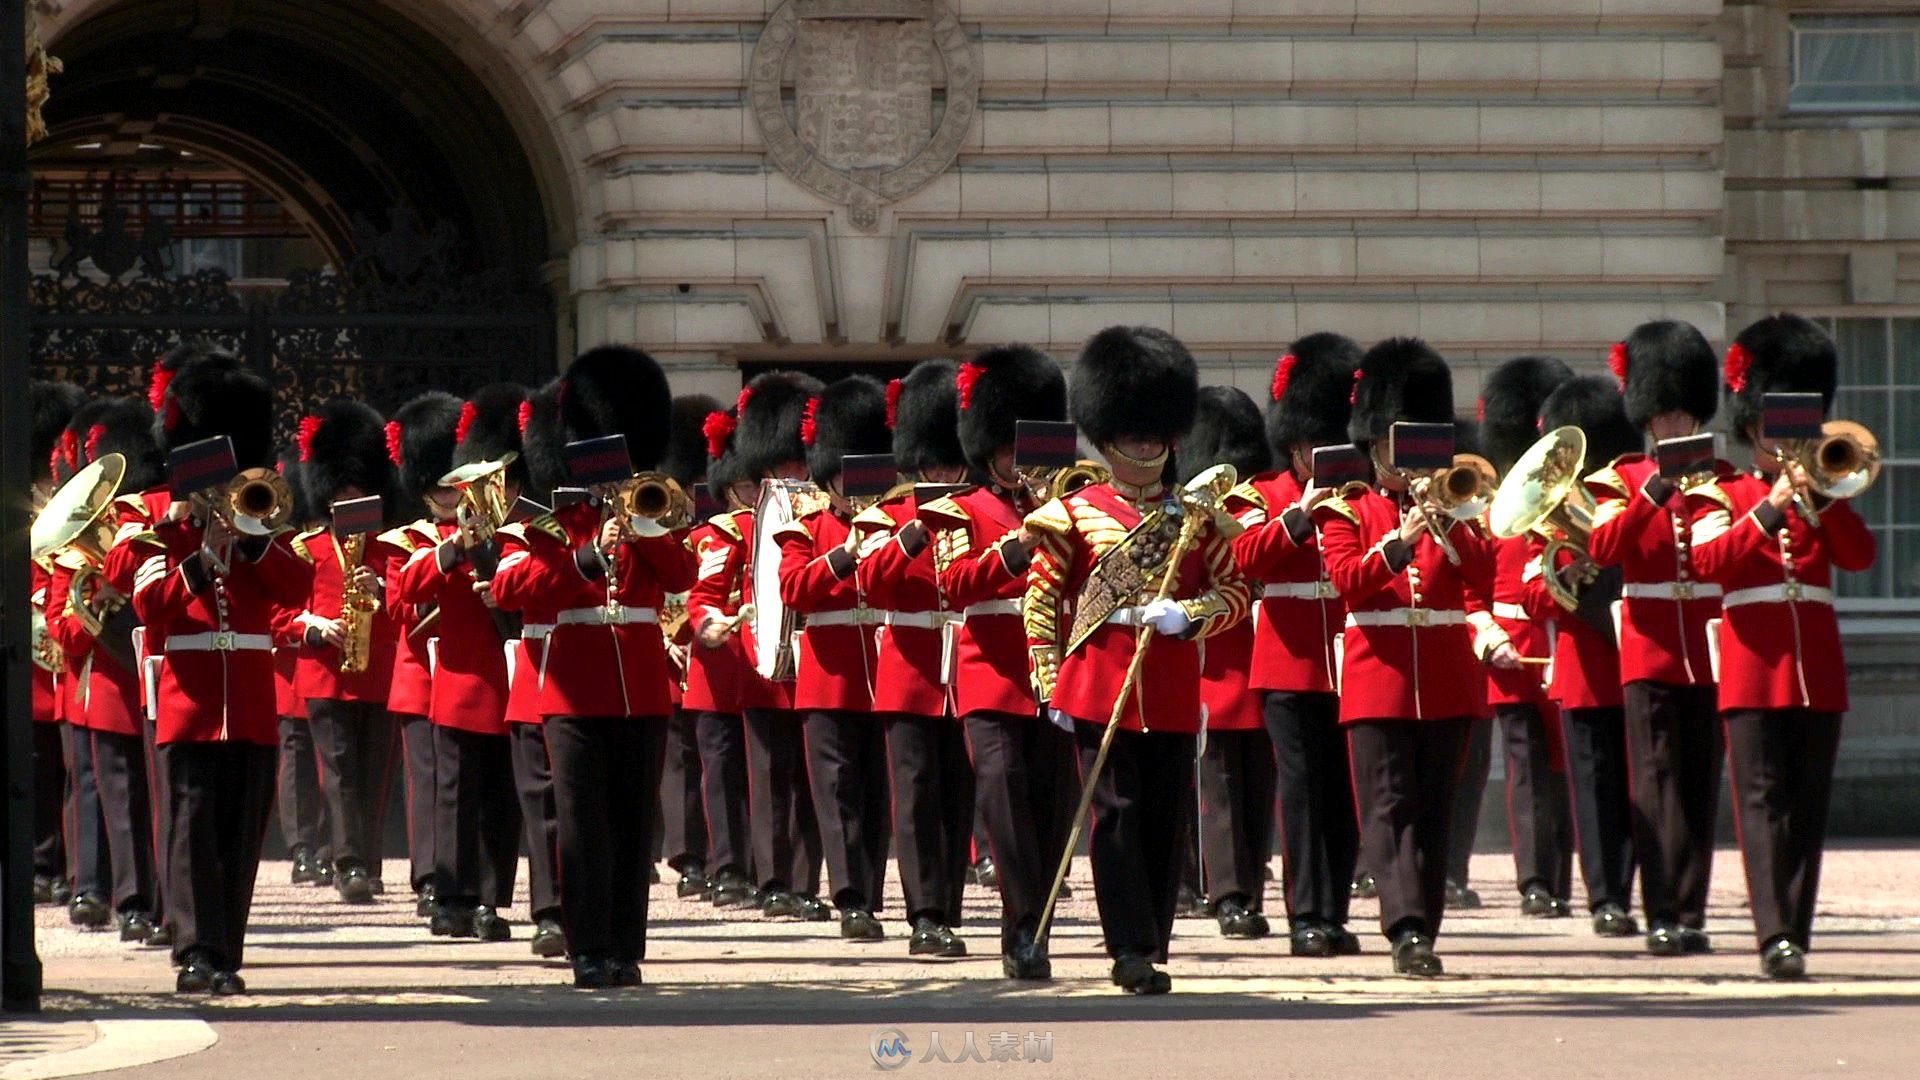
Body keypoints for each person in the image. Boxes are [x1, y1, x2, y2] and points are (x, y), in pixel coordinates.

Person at [1023, 325, 1250, 995]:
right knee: (1114, 816)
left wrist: (1191, 616)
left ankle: (1151, 936)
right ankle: (1129, 947)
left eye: (1155, 435)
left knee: (1163, 818)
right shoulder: (1072, 514)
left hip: (1171, 679)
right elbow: (1042, 603)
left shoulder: (1196, 520)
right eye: (1134, 434)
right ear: (1107, 435)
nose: (1146, 446)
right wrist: (1048, 683)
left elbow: (1235, 592)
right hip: (1097, 684)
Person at [492, 347, 696, 989]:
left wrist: (643, 530)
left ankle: (624, 947)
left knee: (634, 822)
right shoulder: (543, 522)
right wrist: (584, 557)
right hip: (572, 692)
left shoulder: (646, 511)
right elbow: (508, 588)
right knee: (582, 823)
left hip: (640, 689)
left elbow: (684, 576)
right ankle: (588, 946)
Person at [1312, 337, 1511, 978]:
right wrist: (1400, 542)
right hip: (1379, 675)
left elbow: (1486, 573)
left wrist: (1449, 524)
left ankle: (1423, 923)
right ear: (1375, 447)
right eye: (1397, 444)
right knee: (1387, 804)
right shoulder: (1350, 509)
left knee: (1433, 808)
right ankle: (1403, 928)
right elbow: (1347, 578)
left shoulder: (1459, 509)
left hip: (1447, 676)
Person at [1687, 314, 1876, 979]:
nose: (1786, 438)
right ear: (1750, 428)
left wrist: (1821, 501)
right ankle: (1773, 936)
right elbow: (1712, 559)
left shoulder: (1824, 493)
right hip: (1753, 668)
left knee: (1808, 806)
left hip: (1816, 671)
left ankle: (1796, 927)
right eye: (1774, 425)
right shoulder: (1725, 491)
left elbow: (1859, 557)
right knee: (1762, 805)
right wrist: (1769, 508)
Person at [134, 351, 315, 994]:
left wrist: (251, 539)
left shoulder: (257, 510)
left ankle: (226, 951)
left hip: (251, 696)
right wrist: (194, 554)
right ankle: (194, 950)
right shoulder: (156, 519)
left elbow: (299, 583)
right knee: (190, 829)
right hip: (190, 696)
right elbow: (147, 604)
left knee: (239, 834)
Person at [921, 344, 1071, 980]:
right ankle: (1021, 932)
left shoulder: (1073, 503)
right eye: (1012, 451)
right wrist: (1015, 549)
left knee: (1051, 808)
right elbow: (953, 580)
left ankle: (1036, 925)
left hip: (1057, 673)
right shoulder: (959, 509)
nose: (1022, 463)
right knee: (1004, 802)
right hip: (990, 676)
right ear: (989, 452)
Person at [1585, 320, 1726, 956]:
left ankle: (1690, 910)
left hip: (1710, 649)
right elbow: (1604, 546)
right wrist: (1654, 492)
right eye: (1665, 413)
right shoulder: (1619, 480)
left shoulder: (1724, 476)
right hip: (1648, 647)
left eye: (1684, 412)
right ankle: (1661, 908)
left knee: (1699, 785)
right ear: (1647, 417)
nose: (1675, 424)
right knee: (1655, 781)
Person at [1225, 334, 1363, 958]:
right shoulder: (1261, 495)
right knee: (1303, 790)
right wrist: (1301, 516)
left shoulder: (1362, 498)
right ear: (1293, 443)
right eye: (1310, 444)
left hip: (1352, 658)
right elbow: (1244, 555)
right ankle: (1305, 912)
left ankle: (1334, 911)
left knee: (1343, 790)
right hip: (1288, 661)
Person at [392, 390, 529, 941]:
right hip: (460, 684)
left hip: (510, 683)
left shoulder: (521, 539)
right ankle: (452, 896)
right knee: (455, 796)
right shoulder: (446, 541)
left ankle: (490, 902)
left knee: (502, 800)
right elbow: (409, 586)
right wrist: (456, 549)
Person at [854, 361, 975, 958]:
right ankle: (924, 913)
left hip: (968, 665)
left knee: (959, 793)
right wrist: (911, 537)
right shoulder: (886, 516)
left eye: (953, 461)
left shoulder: (980, 511)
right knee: (918, 793)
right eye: (935, 462)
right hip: (910, 670)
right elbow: (869, 584)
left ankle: (948, 905)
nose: (944, 472)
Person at [775, 376, 895, 943]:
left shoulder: (895, 524)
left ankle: (870, 893)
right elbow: (795, 589)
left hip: (886, 672)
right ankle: (849, 898)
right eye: (848, 472)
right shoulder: (806, 527)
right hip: (828, 676)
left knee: (877, 790)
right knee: (837, 789)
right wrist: (847, 555)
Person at [1528, 375, 1645, 938]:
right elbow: (1528, 590)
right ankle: (1606, 897)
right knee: (1594, 789)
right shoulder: (1559, 508)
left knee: (1641, 785)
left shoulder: (1629, 494)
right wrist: (1569, 572)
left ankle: (1649, 891)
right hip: (1586, 663)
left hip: (1642, 654)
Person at [47, 397, 167, 944]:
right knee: (110, 793)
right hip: (108, 687)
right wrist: (95, 612)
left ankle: (153, 897)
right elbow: (61, 626)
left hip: (154, 677)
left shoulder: (147, 529)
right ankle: (120, 896)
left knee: (156, 799)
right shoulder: (75, 555)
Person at [1477, 356, 1577, 920]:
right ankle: (1536, 879)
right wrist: (1489, 639)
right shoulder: (1493, 509)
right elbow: (1473, 595)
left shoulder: (1568, 503)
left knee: (1567, 766)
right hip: (1514, 651)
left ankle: (1564, 873)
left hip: (1563, 646)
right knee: (1528, 767)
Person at [292, 402, 405, 903]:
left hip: (378, 671)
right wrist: (312, 626)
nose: (349, 502)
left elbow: (408, 606)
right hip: (324, 672)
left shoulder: (391, 549)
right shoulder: (308, 548)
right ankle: (348, 862)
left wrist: (381, 588)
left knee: (375, 771)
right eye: (340, 495)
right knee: (337, 771)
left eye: (357, 493)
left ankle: (372, 858)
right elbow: (281, 613)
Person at [470, 382, 566, 958]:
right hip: (539, 673)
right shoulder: (518, 530)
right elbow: (510, 588)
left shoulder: (618, 520)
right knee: (544, 802)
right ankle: (550, 910)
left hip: (603, 679)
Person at [731, 373, 830, 923]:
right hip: (761, 653)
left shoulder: (822, 509)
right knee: (767, 774)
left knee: (810, 778)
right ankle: (772, 880)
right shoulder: (745, 520)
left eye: (797, 460)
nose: (791, 472)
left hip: (812, 654)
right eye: (782, 463)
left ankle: (805, 879)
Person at [1181, 386, 1275, 941]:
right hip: (1211, 658)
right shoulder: (1193, 514)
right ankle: (1230, 895)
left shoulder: (1257, 505)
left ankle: (1244, 887)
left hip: (1256, 658)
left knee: (1255, 789)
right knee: (1216, 785)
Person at [380, 392, 463, 924]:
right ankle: (430, 874)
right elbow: (398, 609)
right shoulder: (404, 541)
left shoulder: (486, 533)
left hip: (464, 674)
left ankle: (466, 875)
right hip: (420, 675)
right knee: (428, 780)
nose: (446, 495)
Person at [681, 403, 761, 912]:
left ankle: (769, 868)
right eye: (747, 487)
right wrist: (706, 623)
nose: (756, 494)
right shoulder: (718, 534)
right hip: (720, 668)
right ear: (730, 488)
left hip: (764, 668)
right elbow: (702, 595)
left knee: (767, 776)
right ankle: (728, 865)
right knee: (722, 772)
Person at [656, 394, 718, 899]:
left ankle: (721, 851)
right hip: (671, 647)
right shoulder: (658, 514)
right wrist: (661, 637)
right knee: (677, 756)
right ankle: (687, 855)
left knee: (714, 754)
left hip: (715, 645)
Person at [29, 380, 86, 909]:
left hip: (68, 652)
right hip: (30, 655)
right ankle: (40, 860)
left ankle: (72, 865)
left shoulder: (79, 510)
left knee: (74, 768)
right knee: (35, 765)